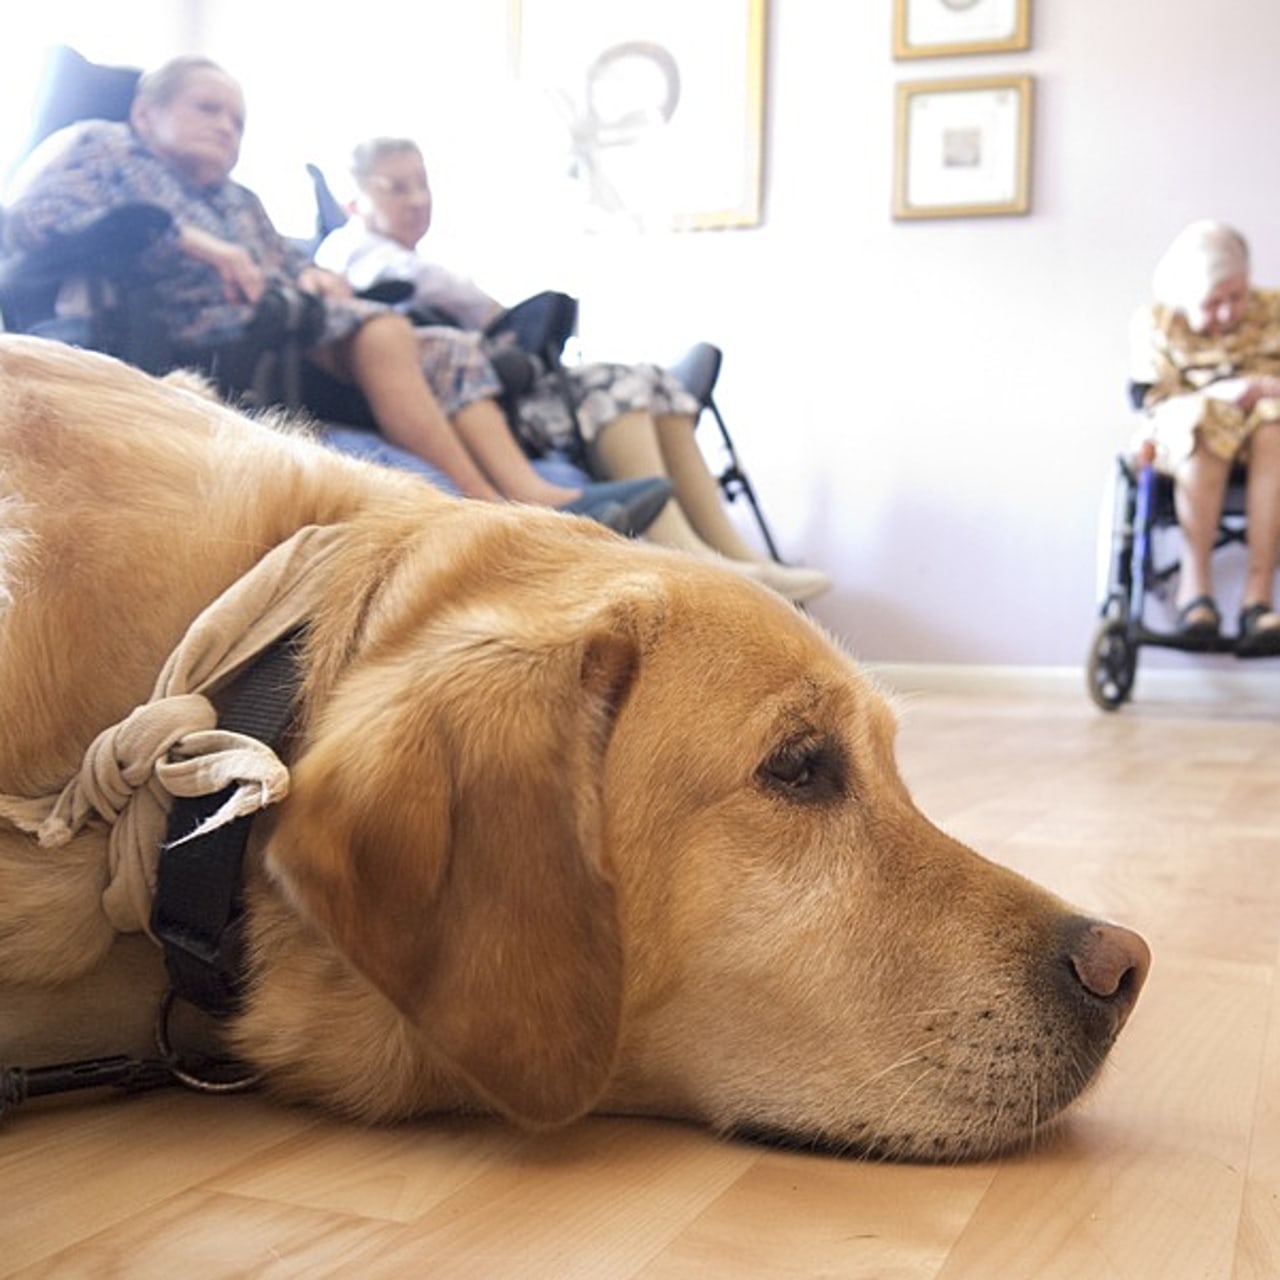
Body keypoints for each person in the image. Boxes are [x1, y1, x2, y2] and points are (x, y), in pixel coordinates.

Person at [0, 56, 670, 536]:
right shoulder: (100, 147)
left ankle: (534, 494)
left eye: (238, 121)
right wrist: (191, 240)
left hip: (284, 327)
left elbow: (289, 265)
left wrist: (315, 276)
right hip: (188, 331)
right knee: (384, 329)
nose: (227, 128)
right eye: (208, 109)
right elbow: (30, 220)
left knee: (445, 346)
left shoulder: (239, 198)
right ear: (146, 112)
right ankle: (492, 508)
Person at [315, 136, 831, 604]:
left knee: (648, 382)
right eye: (397, 187)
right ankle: (702, 563)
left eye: (423, 184)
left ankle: (735, 556)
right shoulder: (351, 254)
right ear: (354, 201)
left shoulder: (410, 262)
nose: (418, 199)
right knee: (615, 388)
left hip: (490, 381)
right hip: (486, 398)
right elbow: (443, 293)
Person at [1129, 219, 1280, 655]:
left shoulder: (1274, 309)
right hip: (1189, 443)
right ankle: (1195, 594)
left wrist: (1265, 389)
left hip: (1266, 440)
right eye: (1214, 303)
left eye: (1237, 296)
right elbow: (1149, 399)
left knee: (1275, 425)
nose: (1229, 313)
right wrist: (1218, 394)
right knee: (1202, 421)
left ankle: (1259, 598)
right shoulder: (1157, 323)